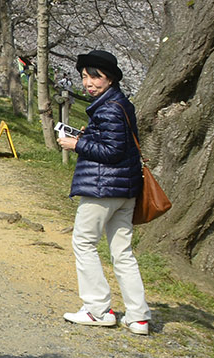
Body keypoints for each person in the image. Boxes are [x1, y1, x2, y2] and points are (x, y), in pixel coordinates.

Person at [58, 49, 151, 336]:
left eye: (95, 77)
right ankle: (138, 317)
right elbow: (118, 145)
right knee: (122, 252)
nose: (88, 82)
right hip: (125, 189)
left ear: (109, 78)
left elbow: (111, 152)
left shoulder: (108, 107)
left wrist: (77, 145)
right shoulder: (120, 104)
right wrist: (89, 137)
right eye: (85, 76)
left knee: (83, 242)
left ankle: (98, 309)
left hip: (103, 189)